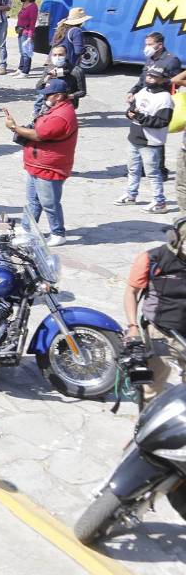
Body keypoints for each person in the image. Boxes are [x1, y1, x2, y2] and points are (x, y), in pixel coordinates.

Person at [4, 79, 79, 246]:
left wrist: (14, 127)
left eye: (48, 95)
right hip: (37, 164)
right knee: (33, 200)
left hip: (50, 167)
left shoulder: (61, 116)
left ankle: (58, 233)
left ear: (59, 96)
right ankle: (26, 228)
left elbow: (39, 135)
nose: (45, 98)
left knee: (49, 203)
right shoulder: (54, 109)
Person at [122, 217, 186, 400]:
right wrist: (132, 327)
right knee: (151, 389)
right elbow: (131, 293)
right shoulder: (152, 259)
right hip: (163, 335)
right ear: (176, 239)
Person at [115, 65, 173, 214]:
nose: (149, 79)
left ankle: (159, 202)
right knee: (133, 169)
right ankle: (131, 194)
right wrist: (129, 113)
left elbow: (162, 122)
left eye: (154, 77)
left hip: (151, 142)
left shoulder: (165, 99)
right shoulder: (142, 91)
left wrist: (140, 117)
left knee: (153, 173)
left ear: (162, 80)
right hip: (134, 137)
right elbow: (133, 108)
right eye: (149, 76)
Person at [128, 31, 184, 102]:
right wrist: (132, 91)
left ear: (160, 45)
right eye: (146, 45)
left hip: (160, 100)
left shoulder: (172, 60)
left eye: (150, 45)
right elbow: (142, 80)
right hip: (145, 96)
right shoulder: (150, 58)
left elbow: (176, 83)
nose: (147, 48)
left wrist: (160, 81)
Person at [15, 0, 38, 76]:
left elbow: (33, 22)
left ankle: (25, 71)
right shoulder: (24, 4)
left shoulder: (33, 6)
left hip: (27, 31)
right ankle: (20, 68)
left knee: (26, 52)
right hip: (20, 30)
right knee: (21, 51)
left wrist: (29, 36)